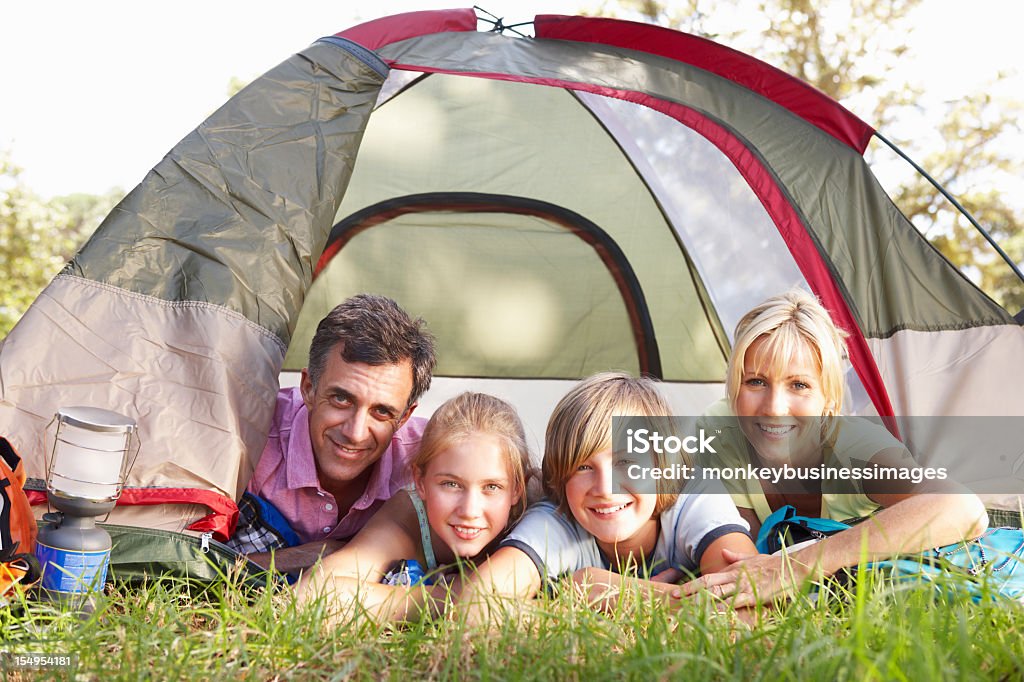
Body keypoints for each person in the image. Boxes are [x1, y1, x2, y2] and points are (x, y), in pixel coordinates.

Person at [680, 289, 988, 606]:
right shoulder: (720, 429)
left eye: (798, 385)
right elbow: (742, 559)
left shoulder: (855, 446)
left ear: (827, 396)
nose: (773, 407)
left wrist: (795, 567)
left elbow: (965, 509)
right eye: (756, 381)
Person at [455, 372, 756, 624]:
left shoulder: (697, 498)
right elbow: (478, 602)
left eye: (625, 462)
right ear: (561, 475)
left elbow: (750, 602)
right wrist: (576, 598)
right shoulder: (557, 520)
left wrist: (604, 589)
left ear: (661, 463)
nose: (605, 488)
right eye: (583, 467)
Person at [227, 294, 436, 574]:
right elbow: (192, 548)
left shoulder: (429, 459)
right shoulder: (244, 434)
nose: (356, 433)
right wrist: (315, 555)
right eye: (341, 399)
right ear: (309, 388)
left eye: (382, 412)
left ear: (405, 417)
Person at [295, 392, 530, 622]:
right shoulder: (410, 518)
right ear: (420, 482)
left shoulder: (537, 509)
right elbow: (312, 595)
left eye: (491, 487)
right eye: (451, 484)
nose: (469, 510)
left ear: (518, 488)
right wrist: (455, 595)